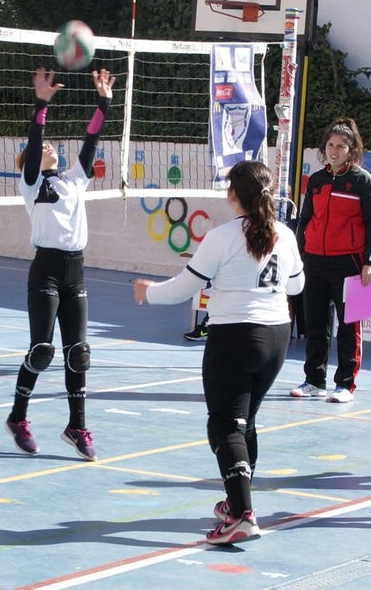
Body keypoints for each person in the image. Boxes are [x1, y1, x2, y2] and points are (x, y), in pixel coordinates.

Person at [133, 160, 304, 545]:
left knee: (225, 425)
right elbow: (296, 287)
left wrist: (149, 292)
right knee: (245, 422)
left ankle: (242, 515)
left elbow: (182, 289)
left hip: (236, 338)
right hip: (277, 337)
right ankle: (237, 500)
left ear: (233, 195)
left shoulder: (222, 237)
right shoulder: (285, 235)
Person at [4, 68, 113, 463]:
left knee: (78, 352)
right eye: (43, 147)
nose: (50, 146)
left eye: (52, 144)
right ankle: (18, 418)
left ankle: (76, 427)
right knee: (42, 350)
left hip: (75, 271)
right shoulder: (32, 184)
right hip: (46, 271)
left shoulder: (74, 179)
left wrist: (103, 102)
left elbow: (91, 139)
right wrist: (41, 104)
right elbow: (35, 145)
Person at [290, 117, 371, 403]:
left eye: (341, 146)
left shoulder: (362, 181)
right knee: (315, 324)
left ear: (351, 150)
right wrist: (300, 256)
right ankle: (314, 380)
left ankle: (345, 384)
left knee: (349, 325)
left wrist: (369, 262)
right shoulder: (317, 181)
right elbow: (305, 220)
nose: (334, 150)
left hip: (349, 263)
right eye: (330, 145)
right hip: (314, 261)